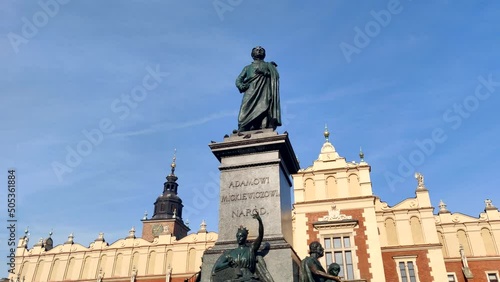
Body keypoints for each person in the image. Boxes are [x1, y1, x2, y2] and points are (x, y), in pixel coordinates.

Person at [212, 212, 272, 281]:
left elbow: (260, 235)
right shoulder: (230, 253)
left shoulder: (250, 249)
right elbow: (217, 267)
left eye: (241, 236)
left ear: (245, 237)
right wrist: (228, 264)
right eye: (238, 236)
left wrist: (260, 221)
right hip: (234, 277)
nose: (239, 238)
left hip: (248, 277)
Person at [235, 46, 281, 132]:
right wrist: (241, 86)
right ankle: (243, 126)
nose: (259, 51)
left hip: (264, 91)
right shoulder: (247, 68)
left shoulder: (268, 65)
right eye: (256, 50)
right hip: (250, 91)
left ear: (264, 54)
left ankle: (262, 125)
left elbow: (275, 77)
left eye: (261, 50)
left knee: (264, 106)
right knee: (245, 108)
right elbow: (238, 80)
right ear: (252, 54)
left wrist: (264, 72)